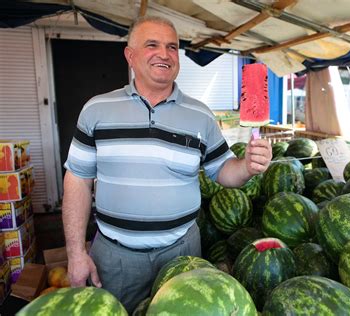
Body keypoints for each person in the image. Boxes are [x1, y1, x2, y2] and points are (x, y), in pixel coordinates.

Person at [62, 15, 272, 313]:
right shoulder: (96, 109)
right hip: (116, 258)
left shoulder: (200, 115)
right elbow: (77, 179)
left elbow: (224, 171)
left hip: (183, 254)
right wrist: (75, 253)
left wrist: (248, 166)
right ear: (130, 55)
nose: (164, 54)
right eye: (152, 45)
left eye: (172, 47)